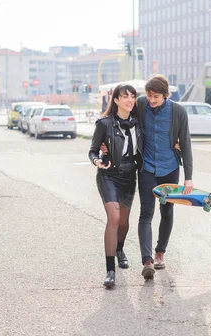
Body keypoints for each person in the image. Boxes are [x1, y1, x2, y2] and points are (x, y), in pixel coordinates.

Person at [135, 75, 193, 279]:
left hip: (169, 169)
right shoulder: (141, 104)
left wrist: (188, 177)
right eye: (149, 96)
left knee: (167, 211)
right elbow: (122, 117)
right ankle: (147, 260)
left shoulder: (178, 111)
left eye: (156, 97)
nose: (151, 100)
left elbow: (185, 144)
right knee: (146, 213)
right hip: (147, 168)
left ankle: (160, 253)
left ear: (166, 95)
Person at [88, 84, 143, 289]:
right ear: (116, 100)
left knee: (124, 223)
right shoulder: (104, 124)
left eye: (132, 96)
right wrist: (97, 161)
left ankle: (120, 249)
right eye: (125, 96)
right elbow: (93, 150)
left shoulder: (139, 123)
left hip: (130, 176)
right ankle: (110, 271)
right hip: (108, 175)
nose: (129, 100)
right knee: (114, 218)